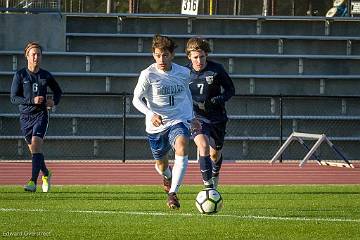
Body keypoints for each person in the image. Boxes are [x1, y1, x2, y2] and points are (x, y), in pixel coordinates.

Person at [132, 34, 199, 209]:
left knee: (183, 145)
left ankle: (172, 194)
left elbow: (187, 95)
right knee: (162, 164)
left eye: (165, 55)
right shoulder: (148, 74)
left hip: (178, 121)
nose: (161, 59)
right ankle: (167, 175)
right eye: (157, 55)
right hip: (156, 126)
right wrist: (150, 114)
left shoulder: (183, 73)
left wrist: (192, 117)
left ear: (172, 55)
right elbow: (136, 99)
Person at [10, 42, 62, 192]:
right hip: (25, 117)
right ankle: (46, 173)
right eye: (33, 54)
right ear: (27, 56)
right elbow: (13, 98)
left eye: (38, 54)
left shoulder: (45, 75)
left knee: (36, 143)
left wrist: (54, 101)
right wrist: (31, 100)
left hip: (41, 115)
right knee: (35, 150)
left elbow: (58, 91)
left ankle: (32, 182)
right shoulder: (20, 75)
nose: (36, 57)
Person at [185, 37, 235, 189]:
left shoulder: (216, 70)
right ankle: (208, 186)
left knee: (215, 154)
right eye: (195, 57)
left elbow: (230, 90)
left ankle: (215, 173)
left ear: (206, 55)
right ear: (189, 57)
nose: (199, 60)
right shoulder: (184, 73)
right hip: (197, 117)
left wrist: (217, 99)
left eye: (202, 56)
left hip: (217, 117)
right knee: (203, 146)